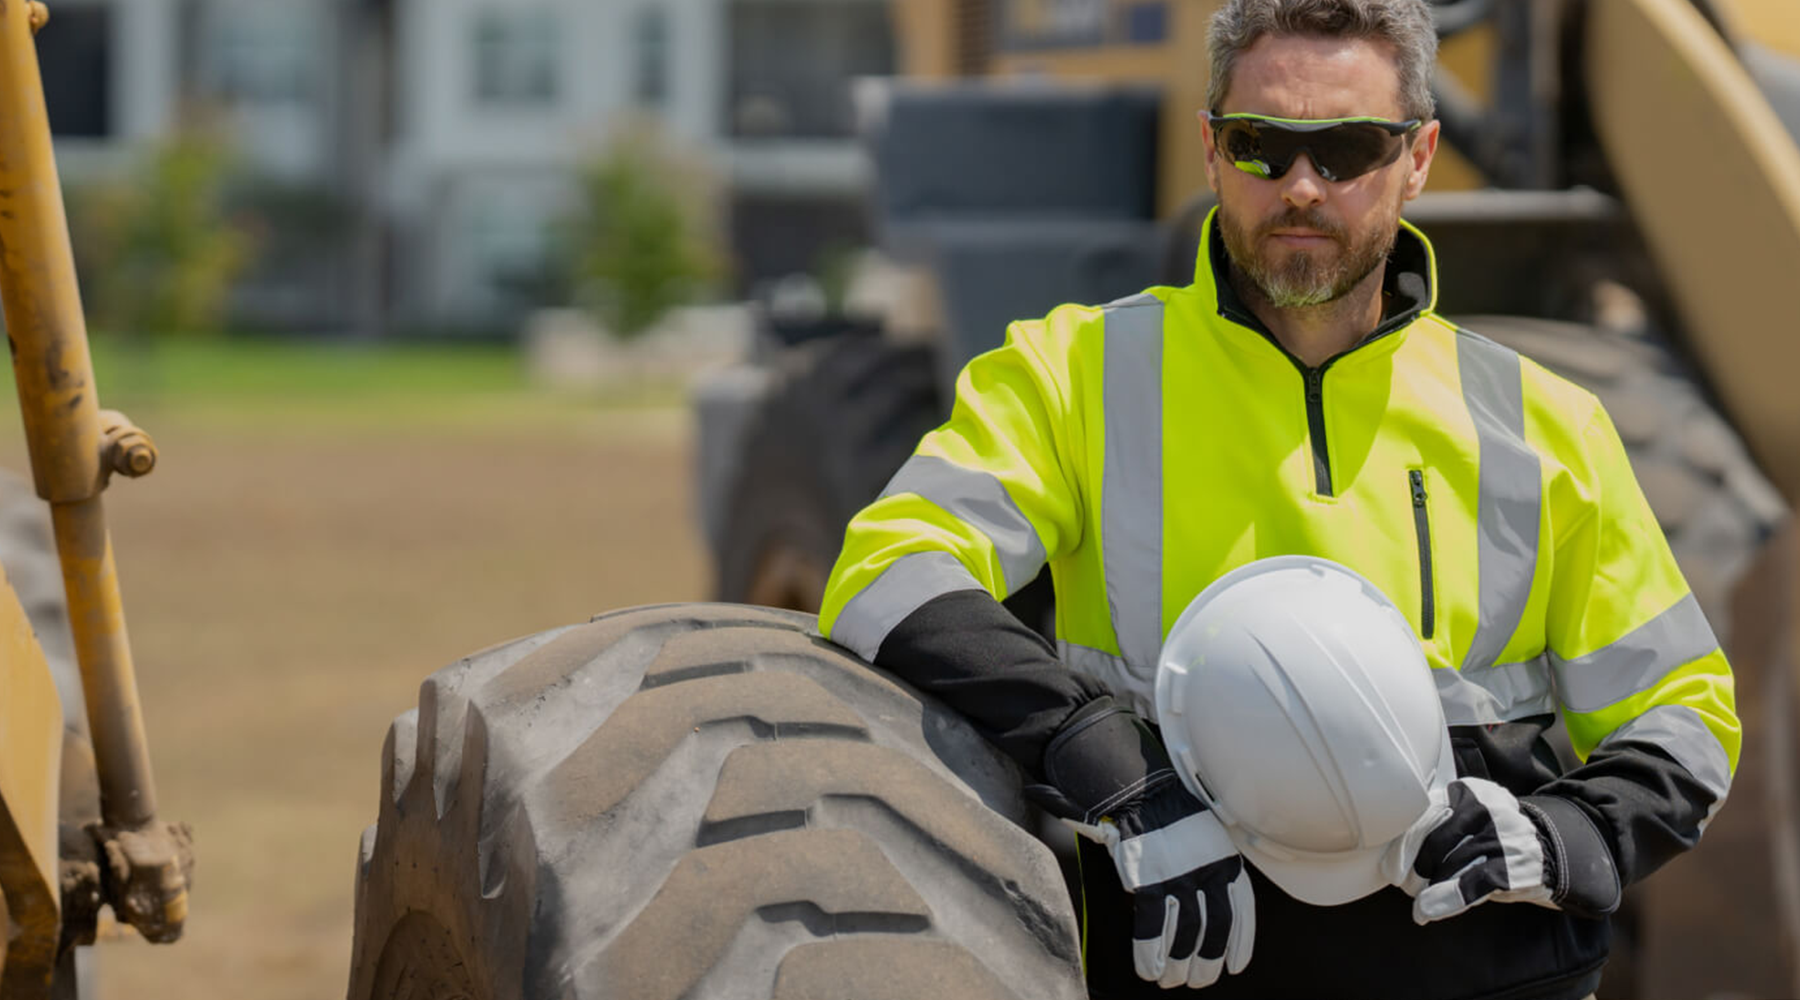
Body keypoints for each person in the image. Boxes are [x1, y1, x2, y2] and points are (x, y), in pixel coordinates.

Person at [816, 0, 1740, 997]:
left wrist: (1572, 832)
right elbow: (889, 571)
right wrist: (1108, 763)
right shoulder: (1076, 373)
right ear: (1211, 150)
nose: (1302, 186)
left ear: (1419, 157)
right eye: (1263, 146)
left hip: (1492, 974)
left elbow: (1683, 705)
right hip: (1192, 967)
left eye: (1347, 149)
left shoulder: (1544, 420)